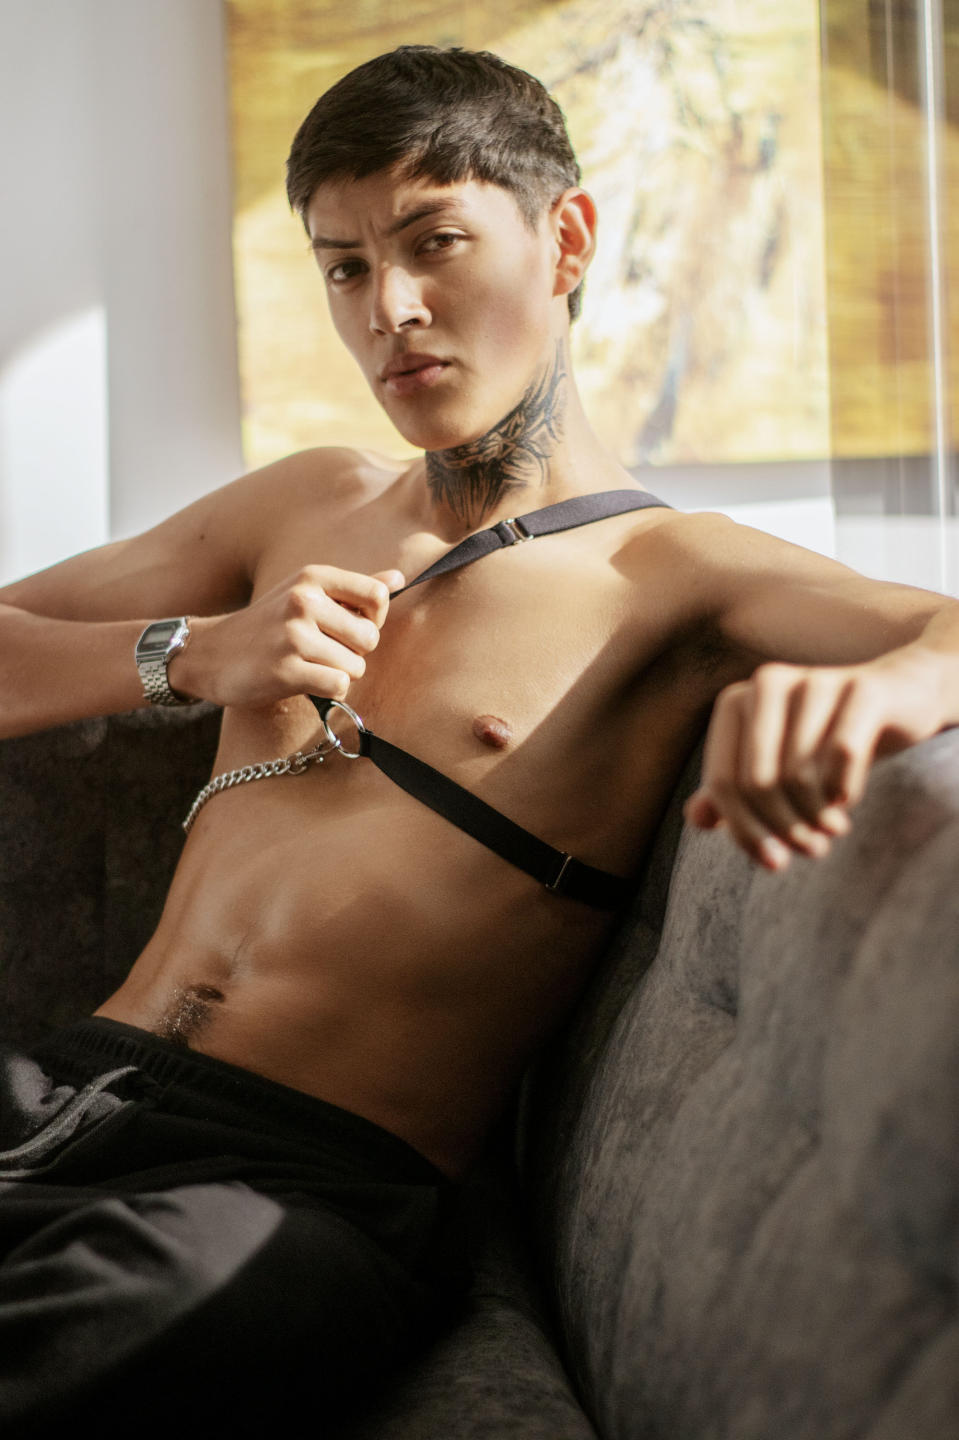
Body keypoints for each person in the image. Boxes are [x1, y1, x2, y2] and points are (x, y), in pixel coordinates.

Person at [0, 42, 955, 1435]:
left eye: (433, 242)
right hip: (62, 1085)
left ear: (565, 238)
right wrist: (190, 653)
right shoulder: (304, 502)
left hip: (296, 1188)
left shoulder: (669, 577)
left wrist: (888, 689)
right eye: (343, 267)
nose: (389, 309)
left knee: (175, 1311)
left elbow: (944, 626)